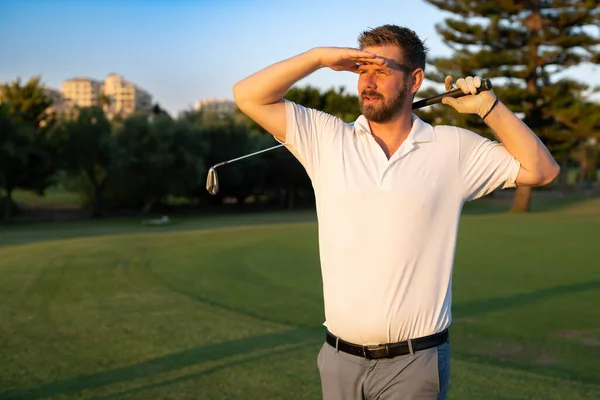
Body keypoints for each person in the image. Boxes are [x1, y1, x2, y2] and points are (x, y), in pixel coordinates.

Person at [233, 24, 560, 400]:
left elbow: (542, 170)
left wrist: (489, 107)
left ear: (415, 79)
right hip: (338, 359)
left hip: (414, 362)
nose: (368, 82)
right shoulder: (326, 138)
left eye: (383, 71)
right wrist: (319, 58)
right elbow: (248, 96)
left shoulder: (450, 148)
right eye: (362, 71)